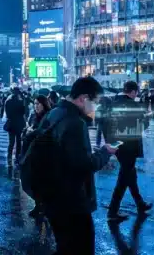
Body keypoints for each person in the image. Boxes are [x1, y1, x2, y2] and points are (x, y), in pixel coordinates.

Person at [37, 76, 117, 254]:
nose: (95, 107)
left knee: (64, 246)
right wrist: (104, 153)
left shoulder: (55, 113)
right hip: (71, 201)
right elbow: (82, 165)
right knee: (80, 247)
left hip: (52, 196)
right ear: (83, 98)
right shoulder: (74, 123)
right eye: (94, 102)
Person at [107, 81, 154, 222]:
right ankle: (112, 211)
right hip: (130, 146)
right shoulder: (134, 105)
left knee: (130, 175)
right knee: (124, 179)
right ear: (133, 91)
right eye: (137, 92)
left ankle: (140, 204)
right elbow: (142, 125)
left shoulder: (112, 103)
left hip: (117, 146)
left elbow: (105, 123)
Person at [21, 95, 53, 218]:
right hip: (30, 152)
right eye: (34, 104)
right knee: (28, 181)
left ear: (44, 104)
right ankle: (39, 204)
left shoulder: (48, 117)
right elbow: (30, 129)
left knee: (38, 182)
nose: (36, 106)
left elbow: (43, 133)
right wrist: (27, 131)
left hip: (41, 155)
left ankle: (41, 205)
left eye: (38, 104)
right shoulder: (34, 116)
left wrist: (31, 133)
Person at [4, 87, 26, 165]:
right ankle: (17, 157)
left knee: (11, 142)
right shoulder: (21, 102)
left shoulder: (8, 102)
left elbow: (7, 114)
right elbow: (24, 112)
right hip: (19, 124)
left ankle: (9, 156)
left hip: (11, 124)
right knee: (19, 141)